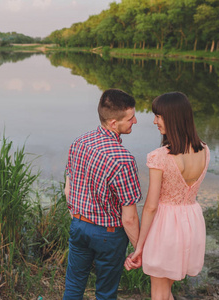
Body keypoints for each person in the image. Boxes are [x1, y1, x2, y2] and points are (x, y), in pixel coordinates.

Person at [124, 92, 210, 300]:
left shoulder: (160, 157)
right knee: (166, 289)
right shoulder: (205, 150)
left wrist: (140, 246)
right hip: (191, 223)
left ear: (173, 117)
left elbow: (151, 206)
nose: (154, 121)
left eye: (159, 116)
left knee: (159, 293)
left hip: (166, 228)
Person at [63, 88, 142, 299]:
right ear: (114, 123)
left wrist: (77, 217)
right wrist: (140, 249)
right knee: (106, 292)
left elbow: (68, 189)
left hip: (78, 225)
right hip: (108, 234)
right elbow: (130, 217)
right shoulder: (123, 160)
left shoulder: (79, 143)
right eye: (131, 118)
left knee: (73, 284)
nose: (135, 121)